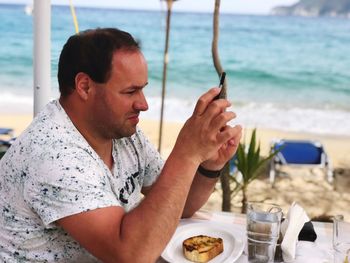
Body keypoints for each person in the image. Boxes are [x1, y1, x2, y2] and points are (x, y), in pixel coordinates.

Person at [0, 28, 242, 262]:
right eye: (130, 91)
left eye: (143, 89)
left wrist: (208, 164)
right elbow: (131, 255)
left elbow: (179, 204)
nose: (143, 104)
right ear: (84, 86)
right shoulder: (53, 154)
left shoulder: (120, 132)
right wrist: (186, 153)